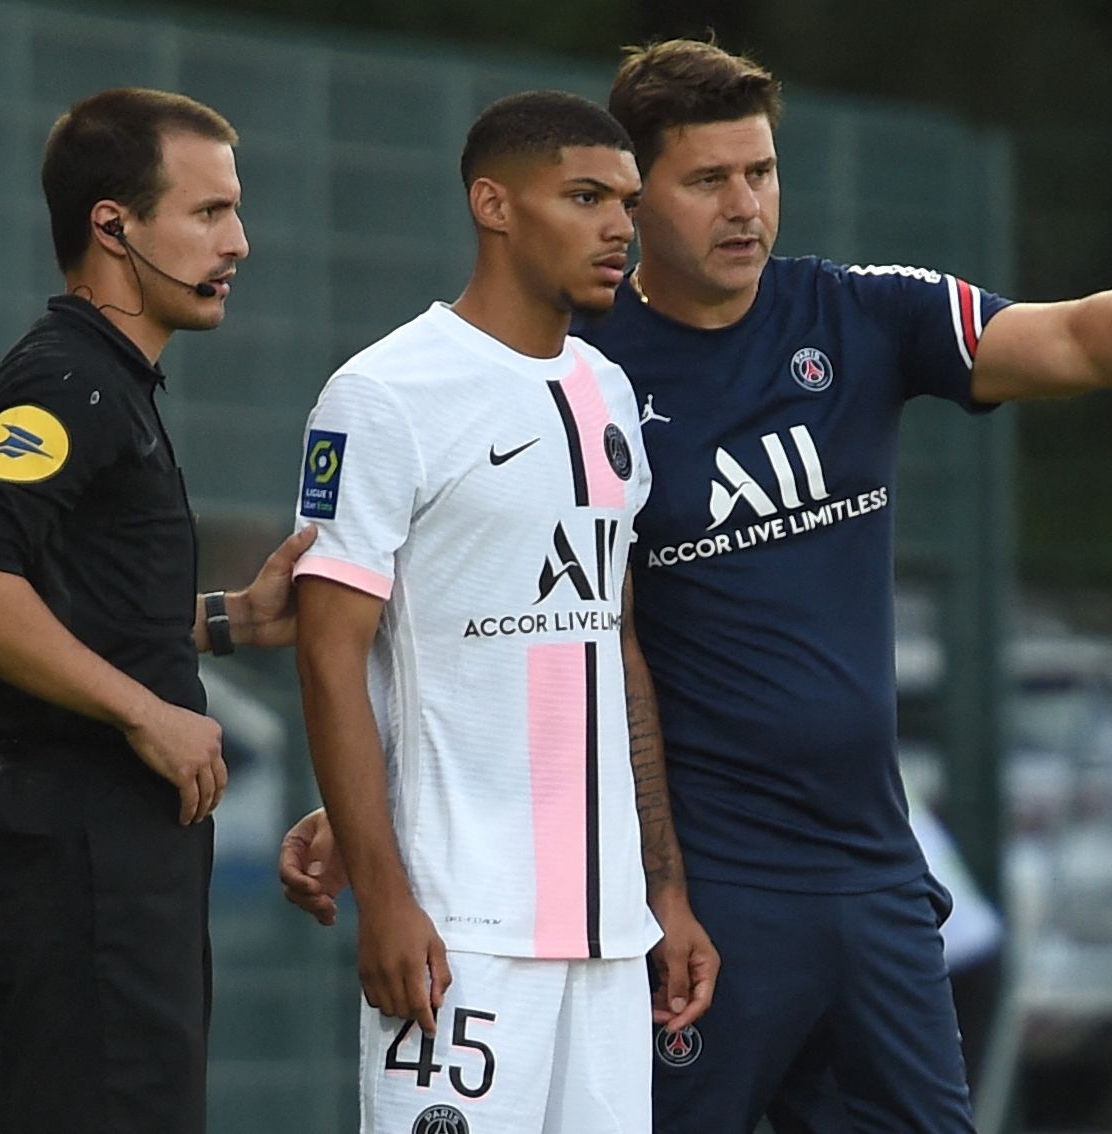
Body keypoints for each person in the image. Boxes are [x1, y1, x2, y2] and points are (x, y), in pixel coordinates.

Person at [284, 38, 1112, 1133]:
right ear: (632, 197)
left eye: (760, 172)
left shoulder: (858, 314)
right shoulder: (586, 370)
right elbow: (492, 610)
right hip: (698, 888)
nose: (744, 204)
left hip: (872, 871)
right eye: (706, 180)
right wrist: (376, 803)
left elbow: (1060, 339)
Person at [282, 90, 716, 1134]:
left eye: (624, 200)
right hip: (457, 925)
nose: (619, 226)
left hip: (605, 938)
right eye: (581, 197)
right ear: (492, 203)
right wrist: (385, 892)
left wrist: (661, 890)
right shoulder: (383, 395)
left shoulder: (607, 393)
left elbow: (608, 638)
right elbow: (328, 653)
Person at [0, 87, 316, 1134]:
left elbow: (78, 603)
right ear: (113, 224)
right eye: (207, 213)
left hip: (116, 859)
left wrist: (230, 619)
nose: (239, 240)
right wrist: (146, 711)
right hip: (80, 859)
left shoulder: (116, 384)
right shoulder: (68, 382)